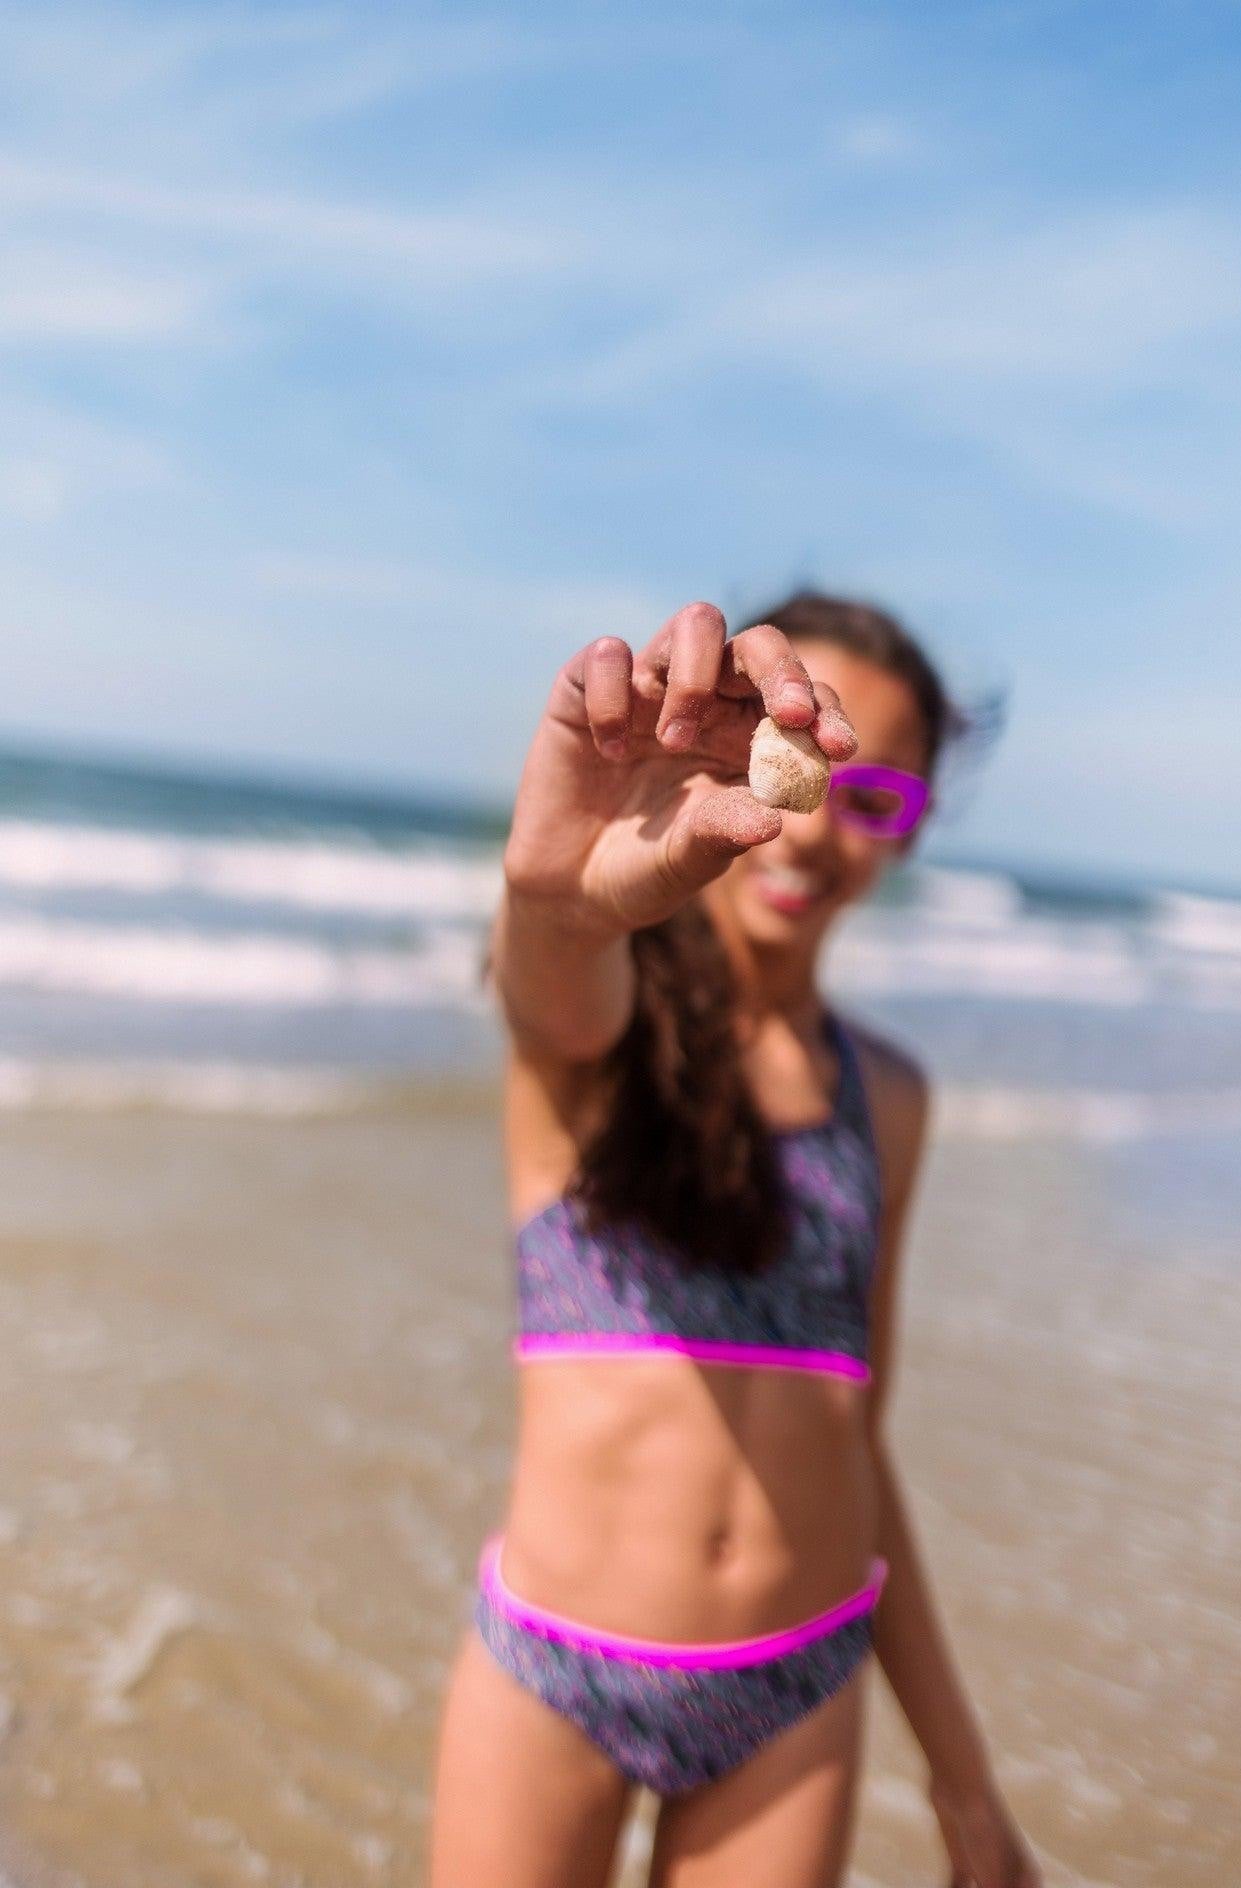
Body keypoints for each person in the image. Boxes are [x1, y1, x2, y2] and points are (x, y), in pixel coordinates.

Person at [430, 594, 1042, 1888]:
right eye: (804, 754)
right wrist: (553, 896)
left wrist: (964, 1781)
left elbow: (859, 1441)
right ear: (723, 743)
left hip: (795, 1700)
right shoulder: (600, 1039)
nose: (817, 827)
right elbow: (553, 973)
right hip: (559, 1675)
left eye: (875, 800)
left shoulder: (891, 1097)